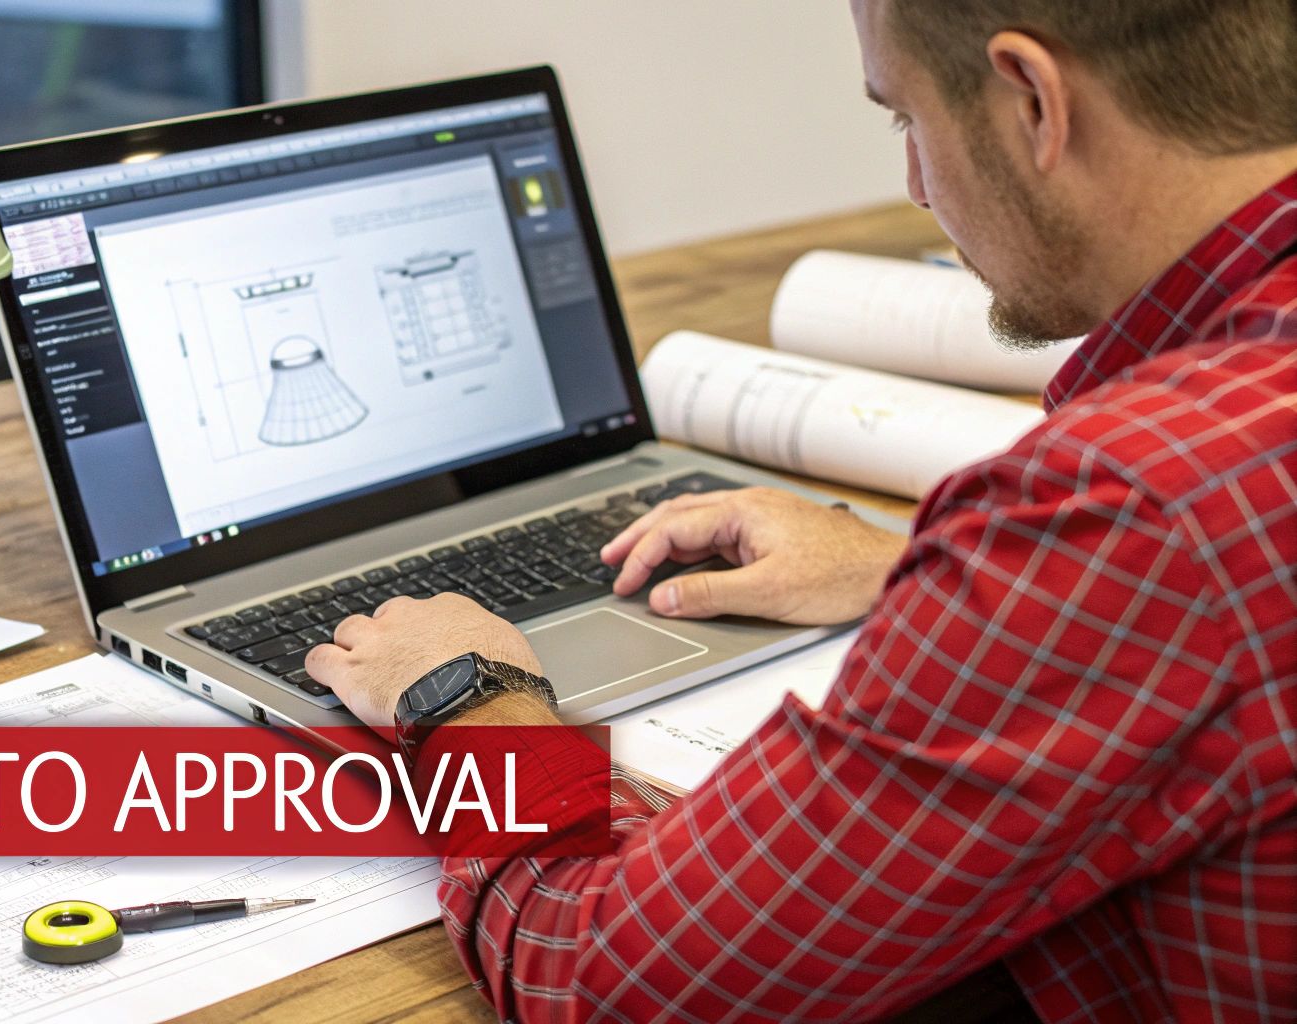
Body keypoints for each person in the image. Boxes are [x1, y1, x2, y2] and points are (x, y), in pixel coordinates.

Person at [304, 1, 1297, 1020]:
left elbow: (602, 976)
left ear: (1033, 102)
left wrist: (466, 697)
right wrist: (911, 559)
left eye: (904, 118)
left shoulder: (1123, 514)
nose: (913, 186)